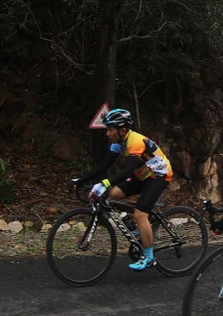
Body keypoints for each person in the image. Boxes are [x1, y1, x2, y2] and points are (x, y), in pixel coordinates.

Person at [71, 108, 172, 271]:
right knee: (113, 194)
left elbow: (128, 171)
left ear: (122, 130)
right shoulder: (118, 143)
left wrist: (104, 183)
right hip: (143, 173)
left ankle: (149, 258)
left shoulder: (135, 141)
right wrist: (81, 180)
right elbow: (104, 165)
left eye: (110, 129)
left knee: (140, 214)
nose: (107, 133)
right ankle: (141, 221)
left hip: (159, 175)